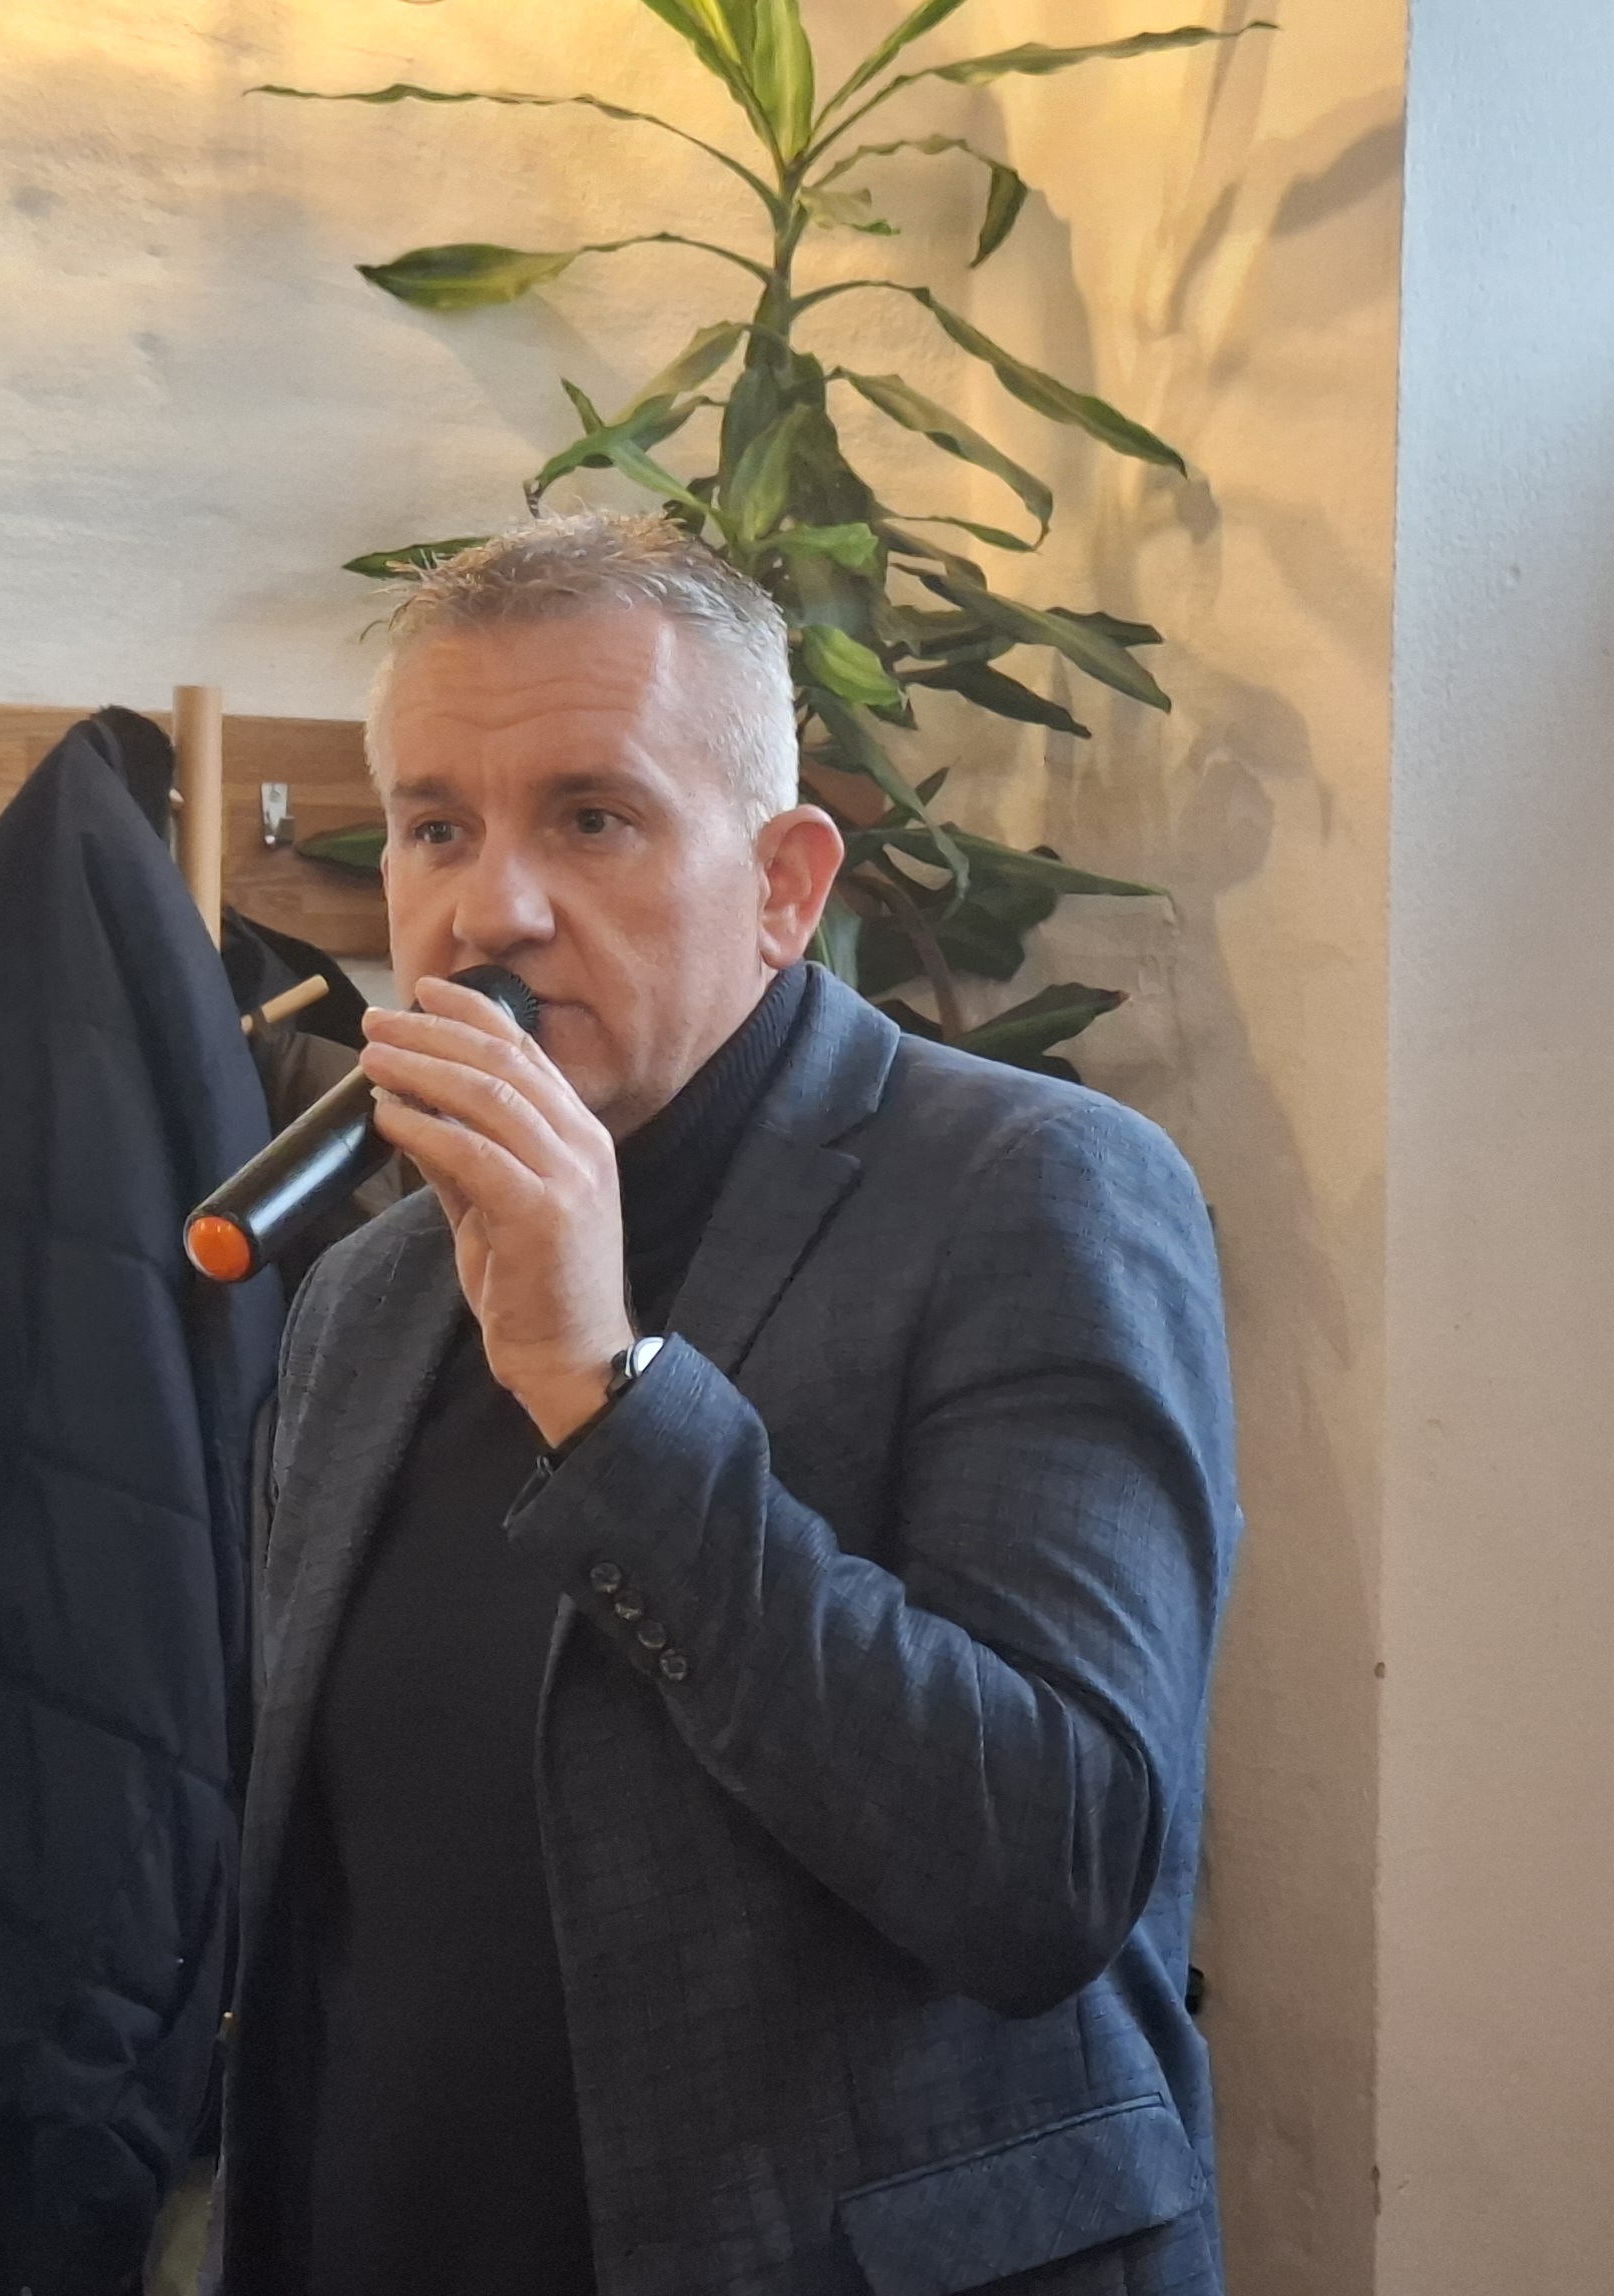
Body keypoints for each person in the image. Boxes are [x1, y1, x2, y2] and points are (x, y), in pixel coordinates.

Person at [198, 510, 1240, 2296]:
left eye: (591, 819)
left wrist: (601, 1394)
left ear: (784, 887)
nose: (492, 910)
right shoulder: (368, 1291)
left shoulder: (1033, 1191)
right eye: (437, 828)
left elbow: (1049, 1869)